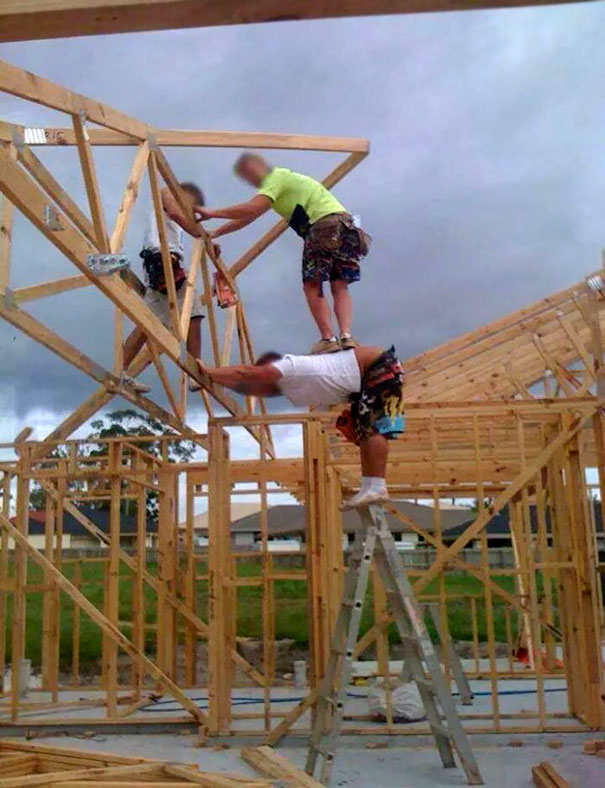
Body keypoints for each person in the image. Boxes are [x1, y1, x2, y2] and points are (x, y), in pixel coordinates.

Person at [194, 153, 370, 355]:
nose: (251, 179)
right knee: (339, 285)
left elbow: (252, 207)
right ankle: (346, 336)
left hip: (323, 227)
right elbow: (249, 217)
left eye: (250, 172)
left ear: (261, 165)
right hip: (346, 227)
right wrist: (217, 231)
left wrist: (211, 213)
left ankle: (328, 339)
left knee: (312, 285)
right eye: (246, 176)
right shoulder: (284, 182)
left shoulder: (275, 178)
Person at [202, 345, 404, 509]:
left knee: (373, 428)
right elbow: (246, 384)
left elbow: (246, 374)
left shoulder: (288, 367)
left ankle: (376, 486)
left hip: (376, 366)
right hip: (364, 379)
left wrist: (207, 372)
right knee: (365, 431)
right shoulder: (289, 387)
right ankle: (370, 487)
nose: (259, 388)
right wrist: (219, 381)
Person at [122, 181, 214, 391]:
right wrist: (205, 236)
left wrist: (203, 234)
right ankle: (194, 371)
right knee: (194, 313)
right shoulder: (165, 191)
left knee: (147, 322)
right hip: (163, 259)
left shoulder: (170, 217)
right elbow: (175, 212)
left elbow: (181, 219)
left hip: (160, 261)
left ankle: (121, 372)